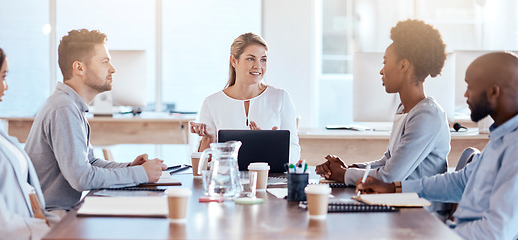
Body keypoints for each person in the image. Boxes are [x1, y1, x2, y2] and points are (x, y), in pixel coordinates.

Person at [357, 51, 518, 240]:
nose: (465, 95)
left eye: (470, 87)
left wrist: (436, 235)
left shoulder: (514, 149)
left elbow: (495, 232)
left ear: (493, 92)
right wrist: (395, 188)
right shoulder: (501, 139)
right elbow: (460, 182)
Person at [25, 29, 167, 212]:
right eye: (105, 61)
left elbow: (89, 162)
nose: (113, 69)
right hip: (54, 217)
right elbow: (82, 178)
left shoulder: (70, 105)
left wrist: (130, 167)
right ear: (79, 68)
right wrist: (140, 174)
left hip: (63, 211)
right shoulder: (64, 109)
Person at [315, 20, 450, 192]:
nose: (381, 70)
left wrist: (342, 174)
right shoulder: (406, 109)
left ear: (403, 65)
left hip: (421, 212)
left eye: (385, 62)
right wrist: (348, 168)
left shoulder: (427, 116)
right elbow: (387, 161)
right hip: (400, 204)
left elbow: (389, 177)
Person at [0, 37, 58, 239]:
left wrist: (52, 224)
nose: (6, 87)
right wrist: (47, 232)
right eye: (3, 77)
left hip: (30, 228)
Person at [190, 32, 301, 163]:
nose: (258, 66)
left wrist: (269, 144)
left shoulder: (280, 98)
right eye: (250, 59)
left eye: (263, 59)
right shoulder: (212, 103)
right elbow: (203, 164)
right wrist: (209, 139)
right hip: (228, 180)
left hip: (269, 180)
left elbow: (294, 154)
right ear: (233, 60)